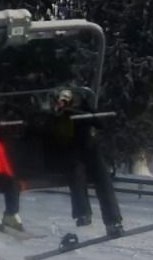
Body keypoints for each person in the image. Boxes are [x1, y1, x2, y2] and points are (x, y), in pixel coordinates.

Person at [46, 88, 123, 235]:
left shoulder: (80, 110)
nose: (60, 104)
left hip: (91, 149)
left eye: (63, 101)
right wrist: (61, 115)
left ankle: (113, 221)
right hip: (72, 152)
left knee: (103, 180)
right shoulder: (56, 116)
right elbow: (53, 132)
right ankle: (83, 214)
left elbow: (100, 124)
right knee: (76, 175)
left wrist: (86, 110)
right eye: (58, 102)